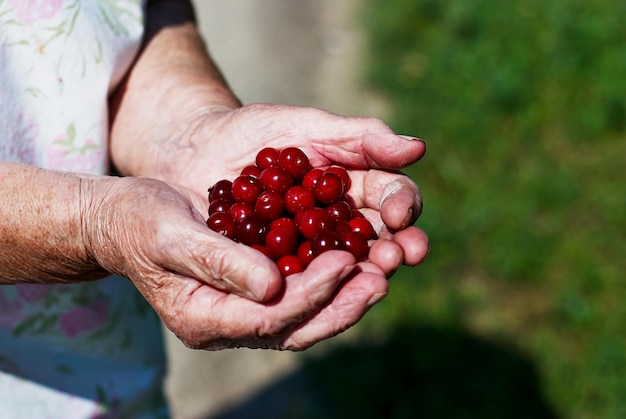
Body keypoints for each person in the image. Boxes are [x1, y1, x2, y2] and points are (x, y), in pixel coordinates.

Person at [0, 0, 429, 417]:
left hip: (111, 367)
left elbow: (136, 16)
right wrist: (95, 223)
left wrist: (188, 131)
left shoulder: (268, 205)